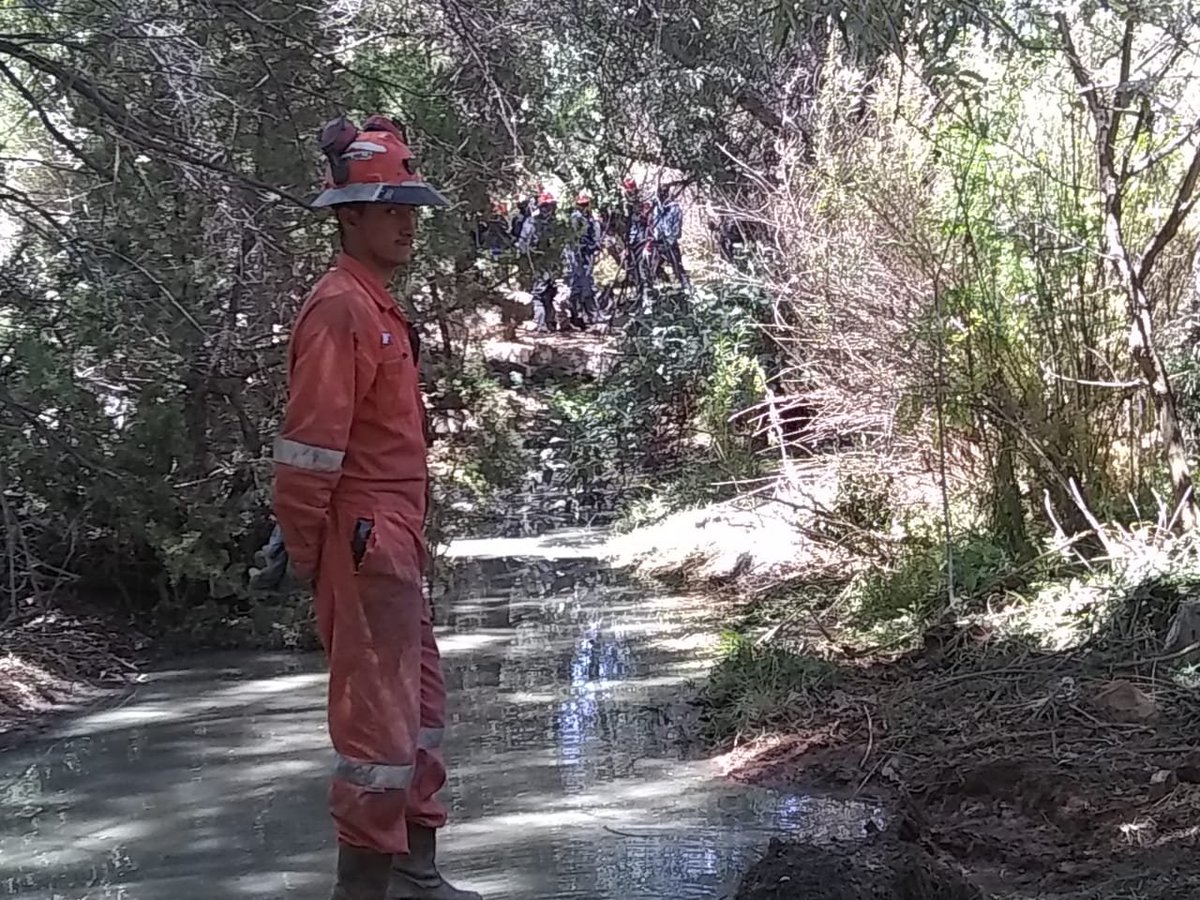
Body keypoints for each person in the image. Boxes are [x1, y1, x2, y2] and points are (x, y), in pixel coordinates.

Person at [268, 114, 481, 900]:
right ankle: (361, 893)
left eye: (412, 209)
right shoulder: (340, 309)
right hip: (363, 539)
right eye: (391, 209)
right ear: (349, 217)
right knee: (376, 731)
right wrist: (305, 548)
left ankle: (416, 877)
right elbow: (309, 450)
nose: (407, 224)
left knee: (420, 705)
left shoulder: (376, 305)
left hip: (393, 537)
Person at [518, 190, 563, 332]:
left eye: (549, 206)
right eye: (545, 206)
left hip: (549, 265)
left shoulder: (555, 224)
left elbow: (561, 245)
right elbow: (524, 245)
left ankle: (546, 323)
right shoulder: (532, 222)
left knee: (546, 293)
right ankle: (544, 323)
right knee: (541, 293)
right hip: (538, 263)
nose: (547, 209)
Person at [566, 190, 600, 328]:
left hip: (586, 253)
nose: (584, 207)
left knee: (586, 284)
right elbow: (576, 237)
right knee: (579, 285)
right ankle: (577, 316)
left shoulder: (589, 218)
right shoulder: (576, 217)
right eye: (582, 205)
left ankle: (587, 316)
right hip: (578, 255)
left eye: (586, 204)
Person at [653, 182, 689, 290]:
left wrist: (670, 240)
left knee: (677, 265)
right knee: (653, 266)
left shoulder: (675, 208)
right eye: (661, 193)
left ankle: (686, 287)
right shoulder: (655, 208)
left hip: (670, 242)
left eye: (664, 192)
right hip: (657, 242)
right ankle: (664, 285)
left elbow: (677, 227)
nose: (662, 195)